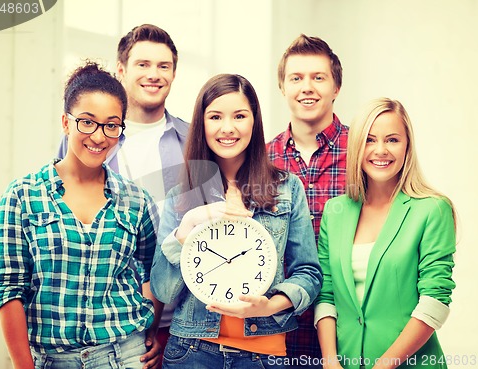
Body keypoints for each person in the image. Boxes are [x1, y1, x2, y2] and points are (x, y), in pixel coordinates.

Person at [0, 61, 162, 369]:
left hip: (125, 355)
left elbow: (153, 271)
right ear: (66, 123)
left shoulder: (136, 201)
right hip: (52, 360)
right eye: (87, 122)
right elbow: (8, 288)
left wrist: (152, 331)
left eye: (112, 125)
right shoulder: (22, 196)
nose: (99, 136)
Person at [150, 73, 323, 369]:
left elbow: (308, 273)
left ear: (254, 121)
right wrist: (189, 224)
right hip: (192, 352)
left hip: (265, 353)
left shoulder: (286, 188)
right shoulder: (182, 195)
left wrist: (270, 306)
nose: (227, 128)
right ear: (201, 123)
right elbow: (163, 291)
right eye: (215, 117)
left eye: (239, 116)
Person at [57, 24, 190, 362]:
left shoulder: (194, 141)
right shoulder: (88, 138)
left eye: (164, 66)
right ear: (121, 70)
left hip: (181, 321)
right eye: (143, 64)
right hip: (105, 322)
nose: (154, 74)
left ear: (174, 73)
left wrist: (159, 326)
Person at [315, 98, 456, 369]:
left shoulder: (432, 209)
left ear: (407, 146)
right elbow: (326, 295)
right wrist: (330, 362)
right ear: (356, 146)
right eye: (369, 140)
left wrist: (384, 366)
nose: (380, 150)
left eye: (392, 140)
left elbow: (435, 301)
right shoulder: (335, 212)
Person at [266, 34, 348, 366]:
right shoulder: (262, 159)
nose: (307, 87)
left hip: (349, 323)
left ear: (336, 87)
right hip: (279, 328)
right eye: (296, 78)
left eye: (318, 77)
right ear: (283, 87)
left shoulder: (363, 154)